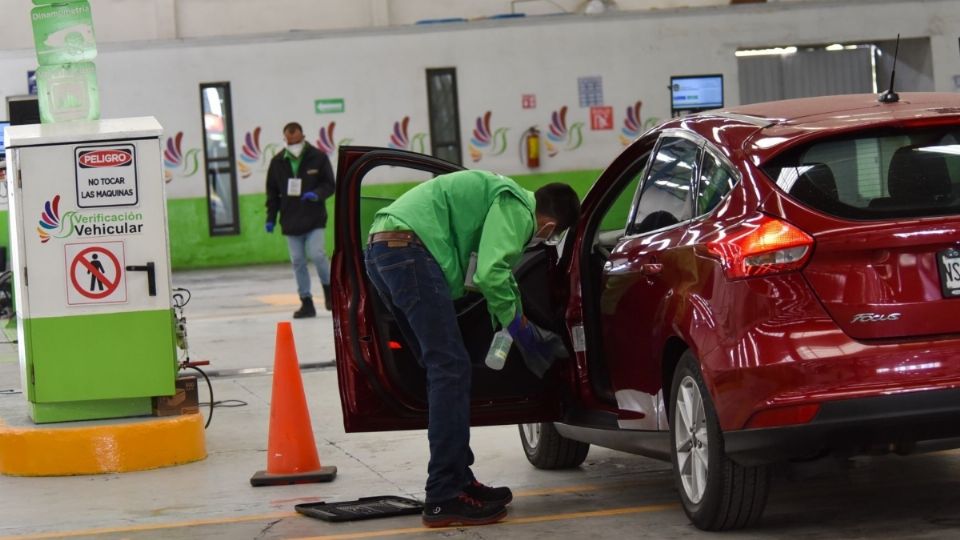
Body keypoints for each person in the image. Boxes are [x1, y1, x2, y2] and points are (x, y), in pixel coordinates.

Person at [365, 170, 580, 527]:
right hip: (408, 250)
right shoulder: (518, 207)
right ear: (549, 225)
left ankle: (459, 480)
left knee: (443, 370)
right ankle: (443, 495)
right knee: (450, 369)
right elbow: (492, 272)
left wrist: (507, 315)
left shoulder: (499, 195)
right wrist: (521, 329)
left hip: (384, 249)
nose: (546, 239)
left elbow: (495, 274)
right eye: (553, 235)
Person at [265, 122, 336, 318]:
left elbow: (330, 184)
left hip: (314, 218)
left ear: (303, 136)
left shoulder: (318, 157)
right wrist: (271, 218)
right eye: (289, 140)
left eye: (296, 140)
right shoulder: (277, 162)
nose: (293, 143)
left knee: (318, 255)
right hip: (290, 220)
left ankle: (330, 292)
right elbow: (272, 193)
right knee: (297, 261)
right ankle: (306, 302)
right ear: (285, 139)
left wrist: (317, 194)